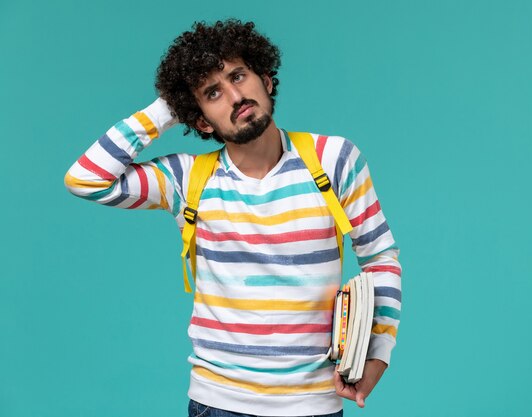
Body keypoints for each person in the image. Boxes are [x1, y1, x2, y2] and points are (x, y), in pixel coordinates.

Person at [65, 19, 401, 417]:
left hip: (313, 402)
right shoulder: (186, 178)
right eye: (213, 93)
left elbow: (381, 257)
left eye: (239, 76)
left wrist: (377, 354)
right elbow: (85, 179)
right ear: (201, 121)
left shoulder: (335, 159)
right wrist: (165, 110)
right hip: (216, 404)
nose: (235, 95)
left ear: (266, 79)